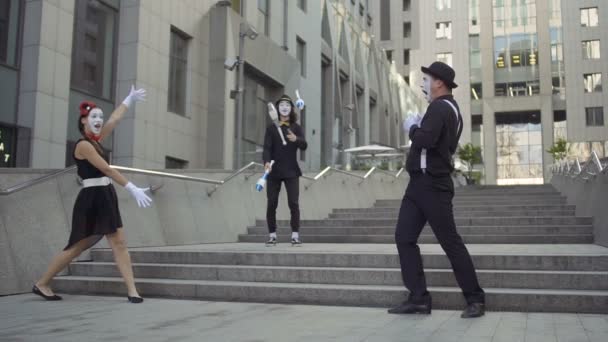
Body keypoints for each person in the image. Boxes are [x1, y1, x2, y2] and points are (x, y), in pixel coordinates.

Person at [33, 86, 152, 304]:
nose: (99, 120)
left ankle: (132, 290)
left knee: (119, 243)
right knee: (77, 246)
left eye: (100, 117)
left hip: (106, 194)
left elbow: (114, 120)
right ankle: (42, 283)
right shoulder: (84, 145)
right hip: (92, 198)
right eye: (94, 117)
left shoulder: (96, 140)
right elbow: (106, 169)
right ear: (83, 122)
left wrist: (129, 99)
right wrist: (131, 187)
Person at [388, 62, 486, 318]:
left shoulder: (440, 107)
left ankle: (475, 298)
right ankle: (418, 299)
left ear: (439, 82)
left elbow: (424, 140)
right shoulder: (450, 109)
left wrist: (411, 127)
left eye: (427, 78)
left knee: (450, 242)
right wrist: (420, 125)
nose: (424, 83)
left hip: (432, 185)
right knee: (404, 238)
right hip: (419, 185)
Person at [263, 95, 308, 246]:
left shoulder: (296, 127)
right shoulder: (271, 128)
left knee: (293, 203)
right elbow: (267, 148)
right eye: (281, 104)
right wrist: (267, 162)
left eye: (287, 105)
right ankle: (272, 235)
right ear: (277, 108)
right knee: (271, 203)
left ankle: (295, 235)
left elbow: (304, 145)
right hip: (274, 171)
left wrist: (296, 139)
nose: (284, 107)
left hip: (291, 171)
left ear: (291, 108)